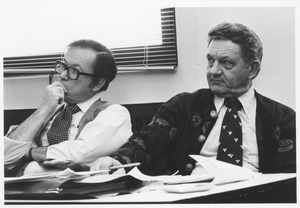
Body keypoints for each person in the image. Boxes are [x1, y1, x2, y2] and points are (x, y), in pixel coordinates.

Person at [89, 22, 296, 176]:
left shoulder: (283, 118)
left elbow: (289, 179)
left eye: (226, 63)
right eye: (210, 61)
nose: (214, 71)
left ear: (252, 69)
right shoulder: (183, 105)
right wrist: (118, 161)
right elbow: (145, 142)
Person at [4, 39, 132, 176]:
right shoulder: (50, 109)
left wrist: (28, 152)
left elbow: (77, 154)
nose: (62, 75)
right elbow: (5, 157)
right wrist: (43, 109)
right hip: (27, 190)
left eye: (74, 71)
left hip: (82, 193)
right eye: (63, 66)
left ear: (97, 84)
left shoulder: (115, 113)